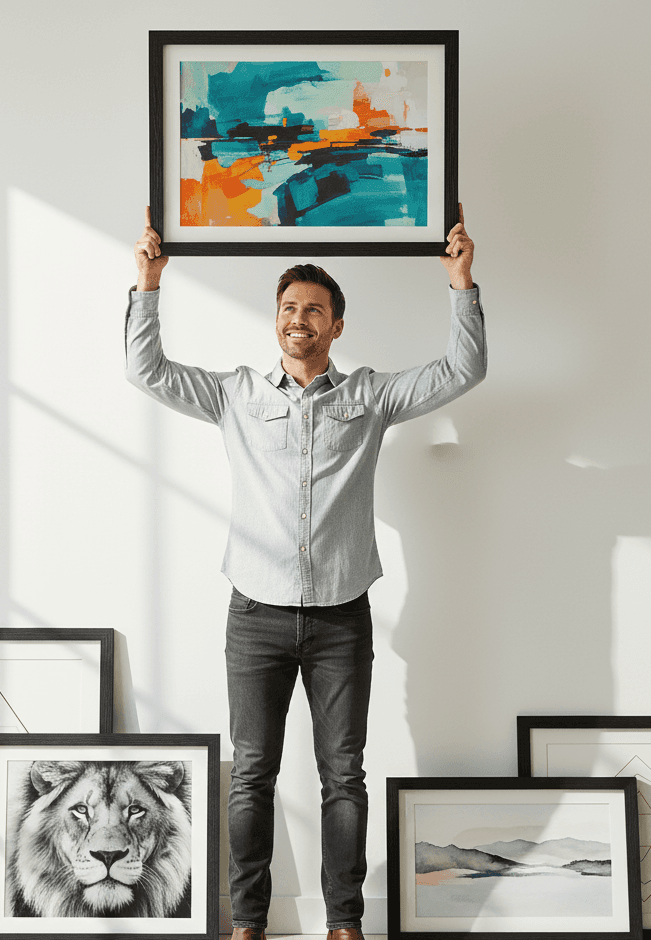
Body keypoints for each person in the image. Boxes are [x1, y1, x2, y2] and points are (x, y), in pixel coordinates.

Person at [126, 206, 486, 940]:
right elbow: (146, 370)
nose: (300, 319)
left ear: (336, 326)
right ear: (277, 320)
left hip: (339, 618)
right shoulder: (237, 394)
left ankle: (345, 924)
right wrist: (149, 284)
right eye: (289, 308)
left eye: (314, 310)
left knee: (342, 777)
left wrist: (460, 285)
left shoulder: (370, 398)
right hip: (254, 615)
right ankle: (248, 925)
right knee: (252, 774)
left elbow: (463, 369)